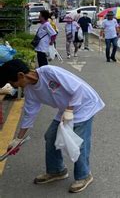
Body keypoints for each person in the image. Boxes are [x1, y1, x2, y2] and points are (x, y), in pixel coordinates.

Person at [0, 59, 104, 193]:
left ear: (21, 75)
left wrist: (70, 110)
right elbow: (29, 114)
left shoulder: (49, 72)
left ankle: (84, 175)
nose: (14, 86)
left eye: (12, 83)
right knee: (50, 136)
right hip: (66, 108)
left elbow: (78, 89)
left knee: (78, 142)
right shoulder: (30, 90)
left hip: (85, 104)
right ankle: (57, 171)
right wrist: (18, 139)